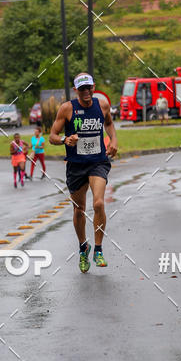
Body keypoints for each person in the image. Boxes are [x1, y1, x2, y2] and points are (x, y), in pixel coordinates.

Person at [49, 72, 118, 272]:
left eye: (89, 87)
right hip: (76, 165)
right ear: (76, 90)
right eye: (82, 89)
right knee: (79, 209)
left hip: (98, 162)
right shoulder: (67, 108)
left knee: (98, 203)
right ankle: (83, 247)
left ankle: (98, 249)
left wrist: (113, 140)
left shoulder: (102, 105)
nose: (86, 92)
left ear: (93, 87)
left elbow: (109, 123)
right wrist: (65, 139)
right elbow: (52, 136)